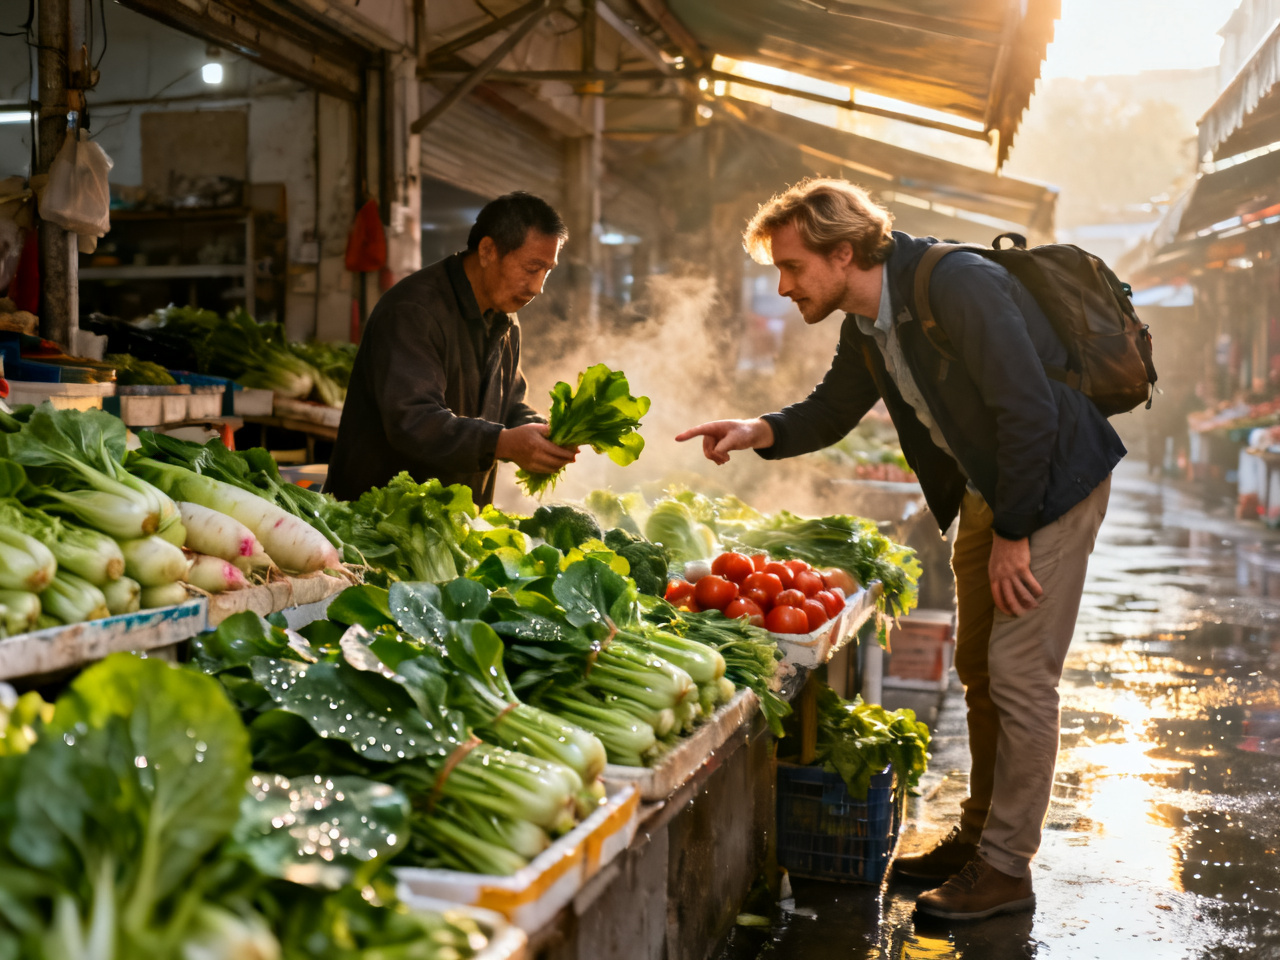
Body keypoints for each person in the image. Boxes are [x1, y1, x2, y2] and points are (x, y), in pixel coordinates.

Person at [676, 179, 1125, 921]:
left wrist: (1014, 531)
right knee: (980, 669)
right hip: (996, 485)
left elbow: (1028, 410)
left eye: (792, 268)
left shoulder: (960, 286)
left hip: (1050, 480)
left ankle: (1007, 869)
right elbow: (830, 409)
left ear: (843, 251)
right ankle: (979, 839)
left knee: (1019, 676)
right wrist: (758, 429)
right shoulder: (869, 322)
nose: (784, 287)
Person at [327, 191, 578, 505]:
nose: (538, 287)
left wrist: (545, 432)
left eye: (548, 271)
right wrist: (502, 443)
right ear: (487, 251)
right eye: (531, 268)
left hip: (449, 520)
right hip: (378, 520)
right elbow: (414, 421)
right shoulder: (414, 311)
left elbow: (510, 405)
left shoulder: (505, 321)